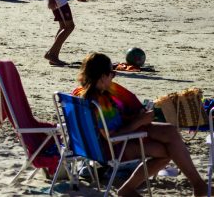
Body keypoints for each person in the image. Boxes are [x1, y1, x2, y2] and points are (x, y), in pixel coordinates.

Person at [73, 53, 209, 197]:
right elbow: (113, 138)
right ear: (102, 77)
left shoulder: (80, 93)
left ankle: (199, 185)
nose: (113, 77)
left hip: (90, 146)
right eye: (112, 74)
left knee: (169, 131)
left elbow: (127, 106)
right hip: (110, 148)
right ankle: (198, 186)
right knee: (168, 150)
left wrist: (139, 116)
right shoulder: (101, 103)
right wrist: (139, 121)